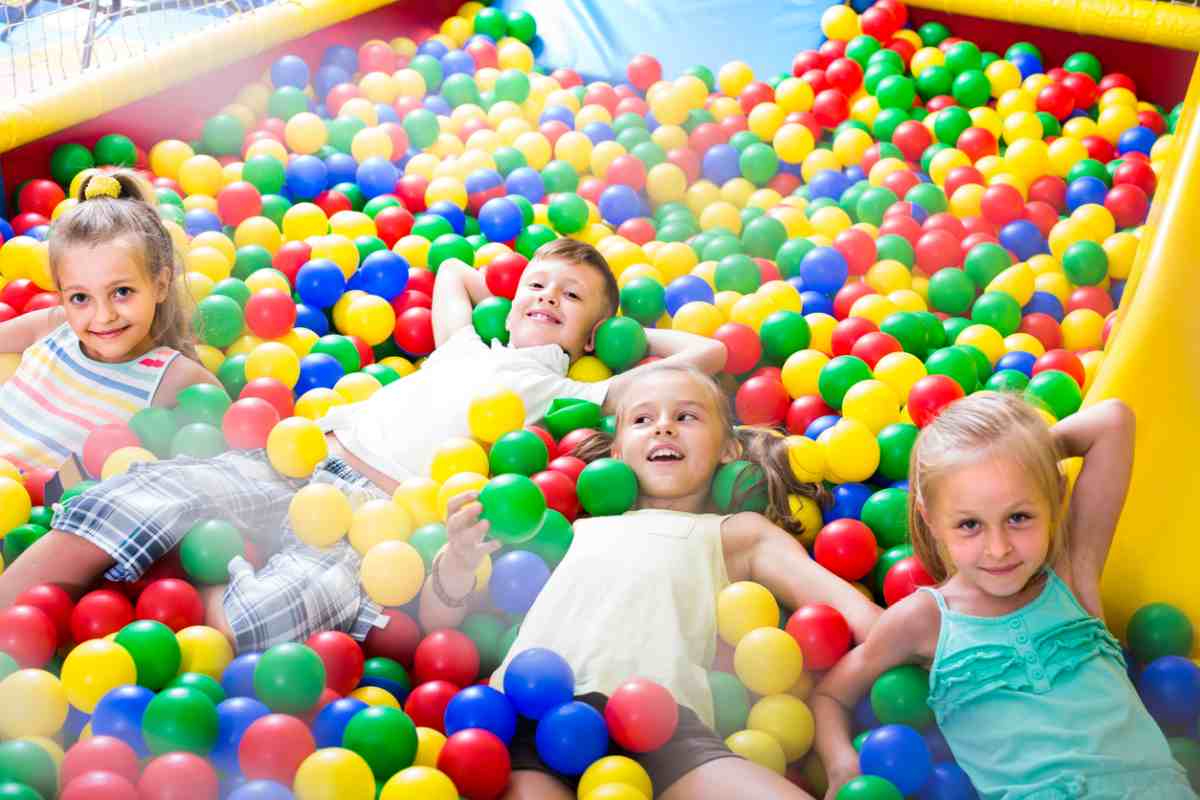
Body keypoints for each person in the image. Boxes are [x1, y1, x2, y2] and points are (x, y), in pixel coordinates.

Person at [0, 238, 724, 655]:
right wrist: (508, 289)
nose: (546, 298)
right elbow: (452, 275)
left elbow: (708, 352)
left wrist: (616, 339)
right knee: (124, 500)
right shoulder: (469, 341)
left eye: (569, 300)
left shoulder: (570, 390)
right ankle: (23, 596)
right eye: (538, 284)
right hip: (300, 460)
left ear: (591, 337)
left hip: (373, 523)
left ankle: (193, 575)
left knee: (256, 625)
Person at [423, 363, 883, 800]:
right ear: (618, 450)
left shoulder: (735, 533)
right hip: (528, 718)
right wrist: (460, 559)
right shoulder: (570, 529)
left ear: (729, 449)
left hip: (663, 732)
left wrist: (928, 634)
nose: (664, 426)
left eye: (687, 416)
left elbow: (855, 614)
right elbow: (438, 623)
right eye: (643, 418)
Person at [812, 392, 1196, 800]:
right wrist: (840, 764)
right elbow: (830, 694)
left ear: (1053, 498)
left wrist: (1023, 456)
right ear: (932, 521)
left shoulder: (1070, 576)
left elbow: (1113, 421)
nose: (998, 548)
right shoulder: (926, 620)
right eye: (969, 524)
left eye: (1019, 517)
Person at [0, 171, 217, 474]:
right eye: (80, 298)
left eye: (122, 292)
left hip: (48, 514)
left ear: (160, 284)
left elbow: (230, 452)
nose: (103, 316)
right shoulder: (53, 327)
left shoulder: (175, 379)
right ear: (61, 294)